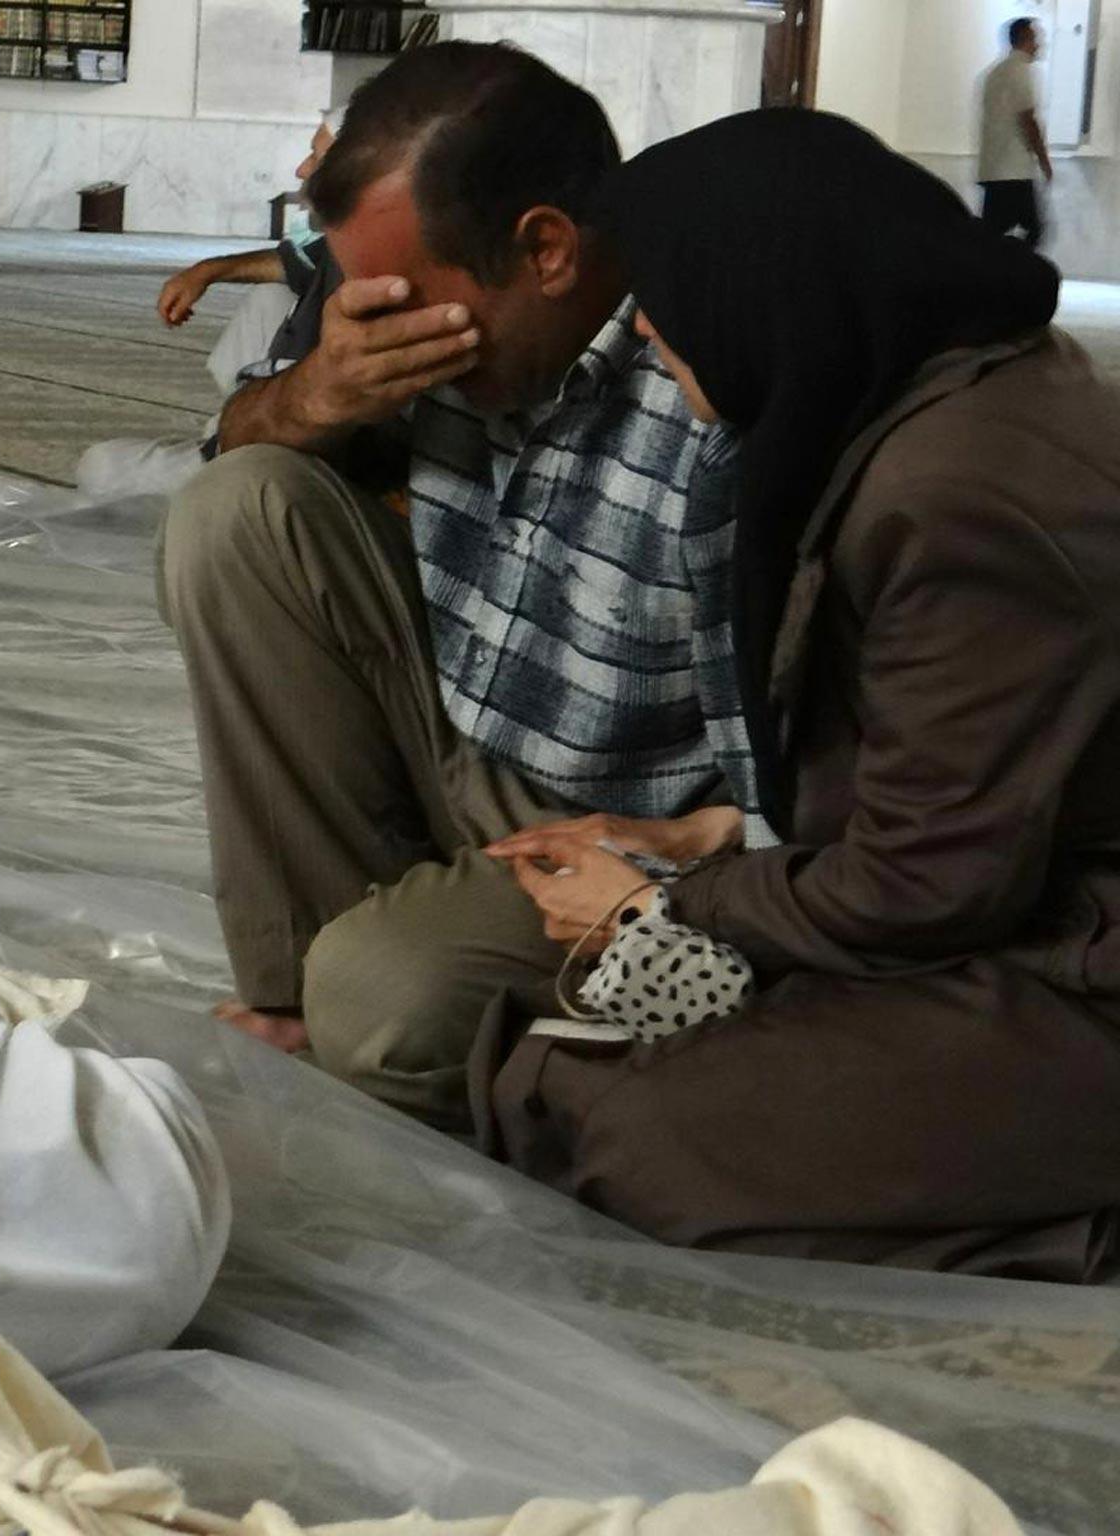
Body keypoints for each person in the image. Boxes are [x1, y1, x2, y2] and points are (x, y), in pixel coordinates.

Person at [485, 108, 1120, 1280]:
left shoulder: (956, 490)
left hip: (1076, 975)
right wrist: (707, 832)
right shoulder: (951, 397)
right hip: (1027, 919)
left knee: (627, 1133)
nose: (673, 386)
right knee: (555, 1066)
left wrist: (674, 908)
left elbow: (926, 887)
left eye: (672, 347)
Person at [160, 43, 740, 1128]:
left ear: (545, 251)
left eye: (404, 301)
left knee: (384, 1005)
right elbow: (231, 444)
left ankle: (381, 996)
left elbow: (821, 812)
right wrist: (312, 395)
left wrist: (680, 856)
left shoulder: (707, 384)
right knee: (239, 507)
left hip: (617, 834)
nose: (377, 327)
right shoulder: (423, 340)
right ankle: (301, 990)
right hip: (471, 734)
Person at [155, 116, 337, 330]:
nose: (302, 170)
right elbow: (297, 263)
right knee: (268, 299)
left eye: (316, 157)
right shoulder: (332, 247)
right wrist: (204, 272)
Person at [978, 17, 1053, 246]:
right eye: (1036, 38)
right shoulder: (1020, 71)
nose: (1039, 44)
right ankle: (1011, 276)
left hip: (993, 168)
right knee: (1035, 230)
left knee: (990, 235)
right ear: (1024, 39)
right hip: (1014, 170)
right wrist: (1044, 161)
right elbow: (1027, 119)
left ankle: (991, 273)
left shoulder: (993, 74)